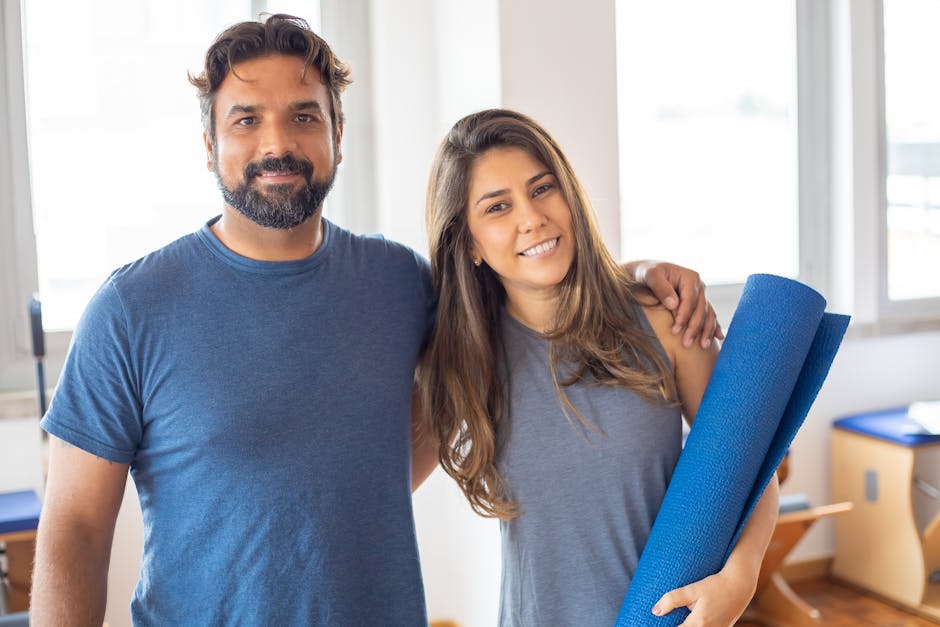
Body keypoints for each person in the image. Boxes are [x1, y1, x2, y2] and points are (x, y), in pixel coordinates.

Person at [30, 15, 720, 626]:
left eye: (304, 115)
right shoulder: (132, 309)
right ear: (209, 144)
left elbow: (517, 294)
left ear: (336, 135)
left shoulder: (398, 283)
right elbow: (76, 534)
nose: (278, 141)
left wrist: (634, 274)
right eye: (245, 119)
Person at [418, 108, 780, 627]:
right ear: (469, 242)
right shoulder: (463, 359)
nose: (531, 217)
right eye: (497, 206)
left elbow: (754, 470)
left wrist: (739, 580)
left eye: (542, 189)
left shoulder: (663, 320)